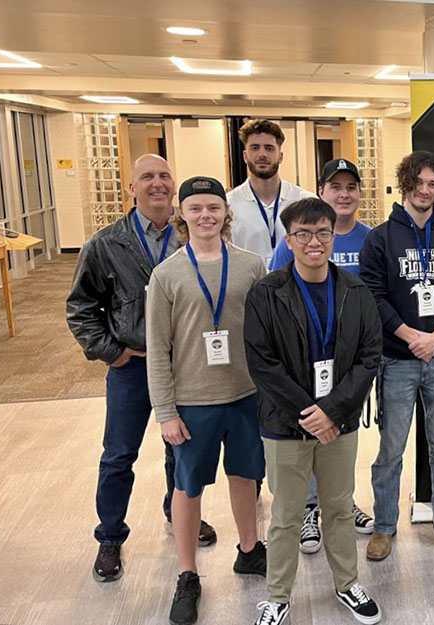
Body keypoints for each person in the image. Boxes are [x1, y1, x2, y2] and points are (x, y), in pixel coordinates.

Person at [66, 154, 216, 584]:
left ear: (175, 185)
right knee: (118, 455)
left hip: (184, 367)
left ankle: (179, 515)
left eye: (165, 176)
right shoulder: (106, 244)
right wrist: (110, 351)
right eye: (146, 177)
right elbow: (80, 308)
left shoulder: (193, 237)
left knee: (181, 450)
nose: (157, 183)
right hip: (132, 368)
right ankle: (110, 536)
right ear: (130, 188)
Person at [245, 197, 383, 625]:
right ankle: (278, 595)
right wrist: (310, 412)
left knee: (340, 507)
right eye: (303, 234)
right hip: (286, 424)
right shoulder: (266, 293)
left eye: (323, 232)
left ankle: (347, 584)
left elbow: (369, 356)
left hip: (338, 424)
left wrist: (335, 412)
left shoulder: (356, 291)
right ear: (289, 240)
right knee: (286, 515)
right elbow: (261, 363)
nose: (314, 242)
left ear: (333, 236)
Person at [146, 176, 268, 625]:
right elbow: (158, 349)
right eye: (195, 208)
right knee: (187, 486)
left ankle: (250, 551)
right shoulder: (167, 274)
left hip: (245, 395)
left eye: (213, 208)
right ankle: (187, 574)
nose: (205, 216)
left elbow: (265, 335)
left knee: (245, 477)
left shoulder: (251, 265)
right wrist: (166, 413)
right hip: (193, 400)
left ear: (225, 213)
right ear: (183, 215)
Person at [360, 150, 434, 561]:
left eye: (432, 184)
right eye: (418, 183)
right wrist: (412, 338)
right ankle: (384, 526)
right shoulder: (380, 238)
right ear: (405, 183)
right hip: (397, 360)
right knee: (391, 449)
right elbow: (374, 296)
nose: (425, 191)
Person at [269, 158, 375, 553]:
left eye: (351, 187)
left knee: (345, 432)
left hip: (349, 362)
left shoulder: (370, 239)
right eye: (336, 187)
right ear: (322, 192)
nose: (344, 193)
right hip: (304, 361)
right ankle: (311, 508)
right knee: (310, 427)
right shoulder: (294, 241)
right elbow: (277, 294)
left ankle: (339, 499)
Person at [228, 119, 315, 268]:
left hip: (295, 288)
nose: (262, 154)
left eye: (269, 148)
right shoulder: (228, 205)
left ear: (280, 156)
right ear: (245, 156)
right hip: (248, 289)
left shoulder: (305, 202)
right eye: (255, 148)